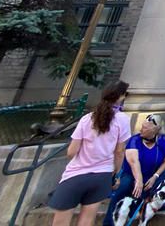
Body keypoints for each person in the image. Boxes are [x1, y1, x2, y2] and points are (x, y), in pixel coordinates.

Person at [48, 81, 131, 226]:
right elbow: (119, 151)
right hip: (102, 175)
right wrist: (116, 173)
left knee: (61, 220)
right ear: (121, 96)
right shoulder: (122, 120)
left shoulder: (87, 119)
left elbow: (71, 151)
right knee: (87, 220)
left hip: (75, 174)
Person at [102, 113, 165, 226]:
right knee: (124, 186)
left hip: (151, 174)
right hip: (132, 174)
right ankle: (109, 222)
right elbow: (133, 162)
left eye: (145, 128)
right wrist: (139, 181)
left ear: (155, 130)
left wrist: (155, 176)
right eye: (142, 126)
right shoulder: (135, 140)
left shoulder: (162, 141)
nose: (141, 129)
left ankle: (145, 202)